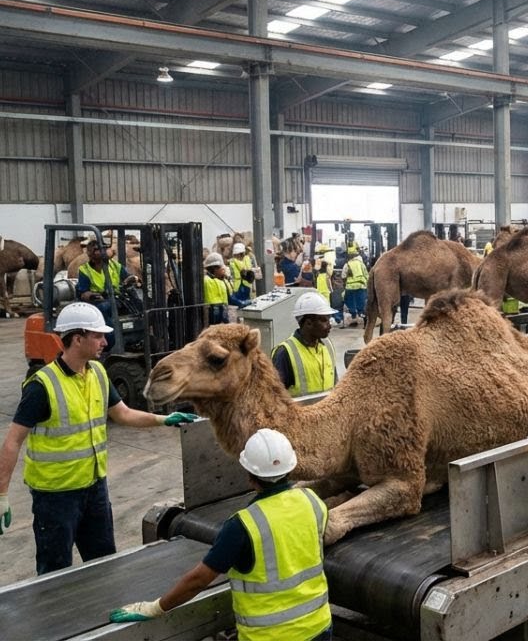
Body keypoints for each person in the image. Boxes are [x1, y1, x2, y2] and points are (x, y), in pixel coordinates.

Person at [0, 302, 197, 574]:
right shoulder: (42, 386)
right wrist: (1, 495)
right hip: (55, 497)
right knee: (54, 571)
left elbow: (124, 414)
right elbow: (12, 441)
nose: (105, 341)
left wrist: (164, 420)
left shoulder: (99, 374)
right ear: (77, 338)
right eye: (98, 336)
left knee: (104, 562)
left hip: (94, 489)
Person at [109, 429, 332, 640]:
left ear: (250, 475)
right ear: (290, 468)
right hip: (320, 627)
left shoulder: (243, 525)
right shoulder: (312, 501)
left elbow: (198, 581)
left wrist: (155, 607)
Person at [272, 292, 339, 396]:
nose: (329, 326)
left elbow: (335, 385)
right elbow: (274, 398)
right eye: (324, 321)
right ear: (308, 323)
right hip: (299, 412)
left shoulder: (328, 346)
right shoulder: (285, 353)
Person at [202, 252, 233, 325]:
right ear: (214, 268)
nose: (223, 269)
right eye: (220, 267)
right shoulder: (206, 280)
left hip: (223, 310)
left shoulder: (222, 280)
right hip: (213, 312)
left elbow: (230, 294)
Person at [342, 249, 368, 328]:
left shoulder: (347, 264)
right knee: (361, 304)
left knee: (350, 303)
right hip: (361, 286)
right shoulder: (361, 264)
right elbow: (366, 275)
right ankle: (364, 320)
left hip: (350, 287)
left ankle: (354, 318)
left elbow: (343, 276)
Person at [228, 242, 257, 307]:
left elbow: (247, 271)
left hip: (246, 284)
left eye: (239, 254)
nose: (237, 256)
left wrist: (253, 288)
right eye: (236, 254)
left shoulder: (246, 259)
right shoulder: (232, 262)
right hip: (237, 286)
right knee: (239, 305)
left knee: (248, 304)